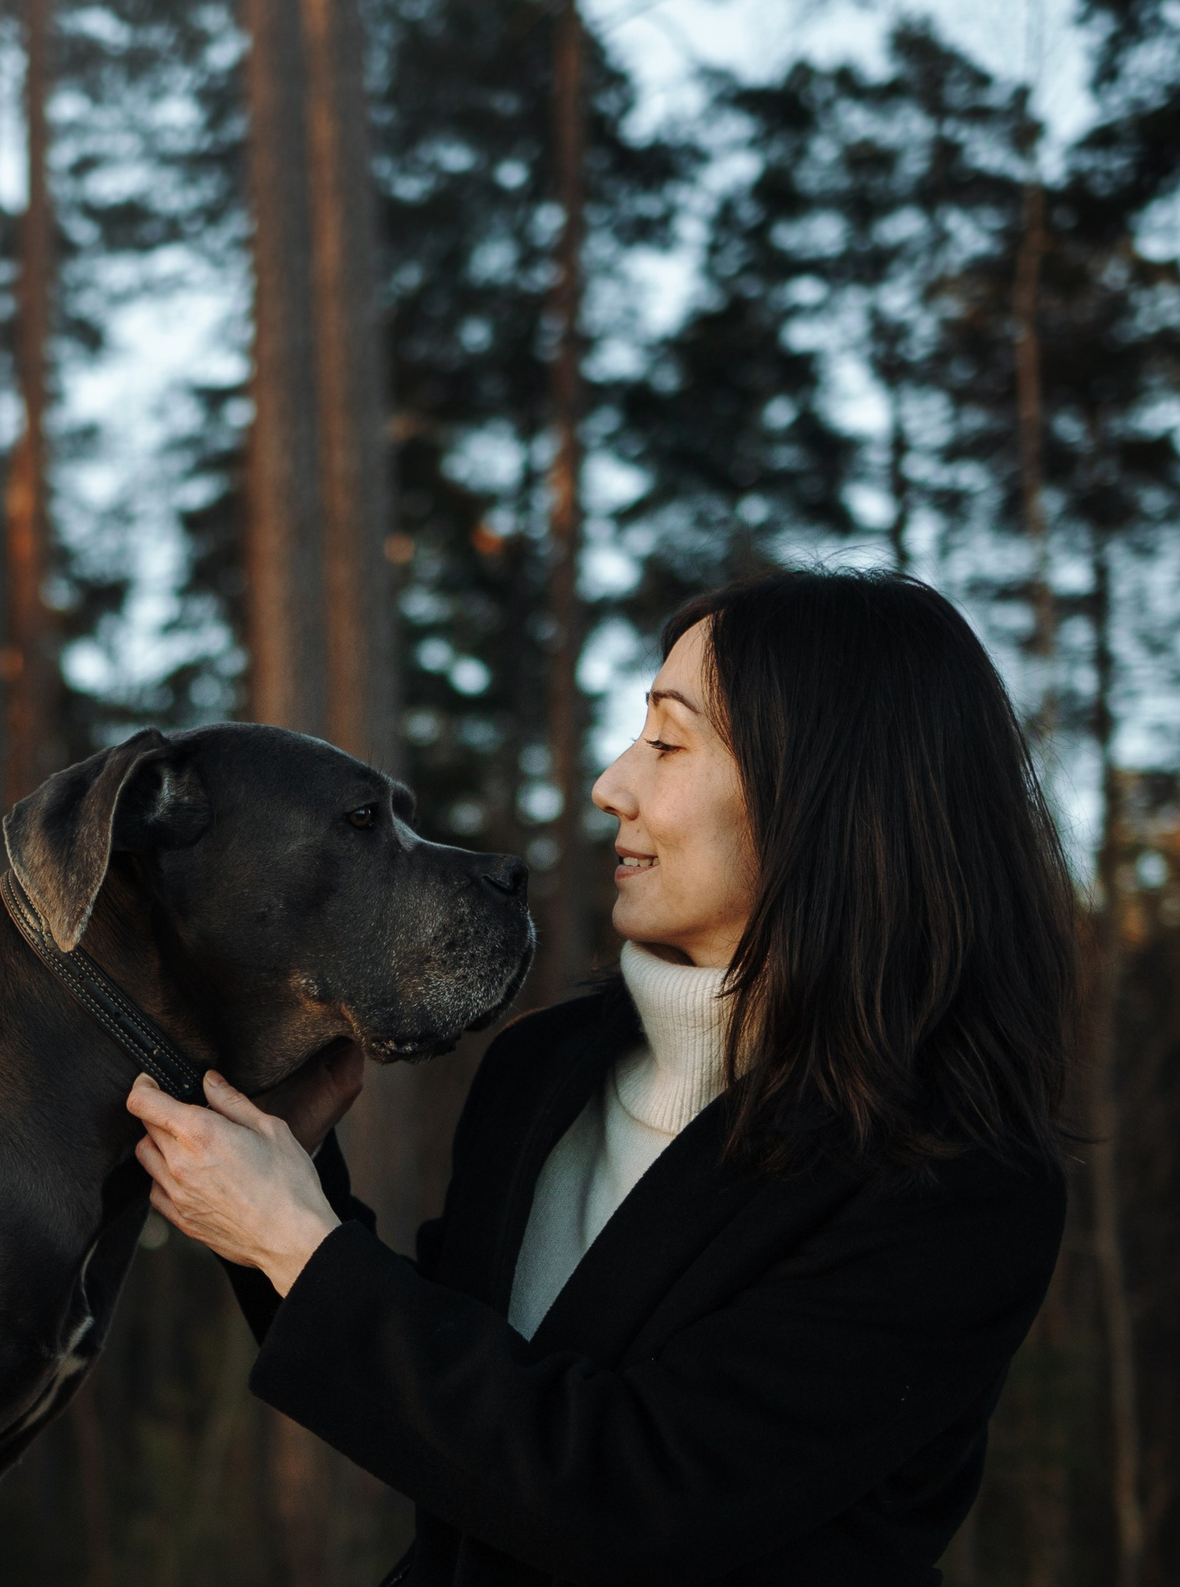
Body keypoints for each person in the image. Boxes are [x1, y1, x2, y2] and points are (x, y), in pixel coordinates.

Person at [128, 567, 1076, 1586]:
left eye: (666, 741)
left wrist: (298, 1244)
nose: (610, 783)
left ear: (826, 789)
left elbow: (637, 1493)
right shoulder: (547, 1069)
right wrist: (291, 1182)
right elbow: (455, 1411)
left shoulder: (953, 1183)